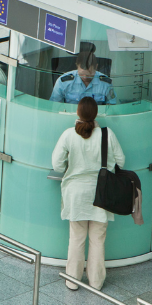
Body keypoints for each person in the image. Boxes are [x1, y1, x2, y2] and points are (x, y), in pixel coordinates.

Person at [52, 97, 125, 291]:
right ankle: (96, 282)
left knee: (76, 239)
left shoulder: (68, 135)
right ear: (96, 114)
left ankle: (72, 281)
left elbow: (56, 165)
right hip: (102, 195)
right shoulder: (107, 134)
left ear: (78, 113)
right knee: (97, 240)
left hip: (76, 195)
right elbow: (122, 162)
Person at [50, 50, 116, 105]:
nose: (85, 77)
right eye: (82, 74)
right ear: (77, 66)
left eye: (89, 74)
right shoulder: (63, 82)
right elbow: (55, 106)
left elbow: (112, 107)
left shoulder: (106, 83)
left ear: (96, 67)